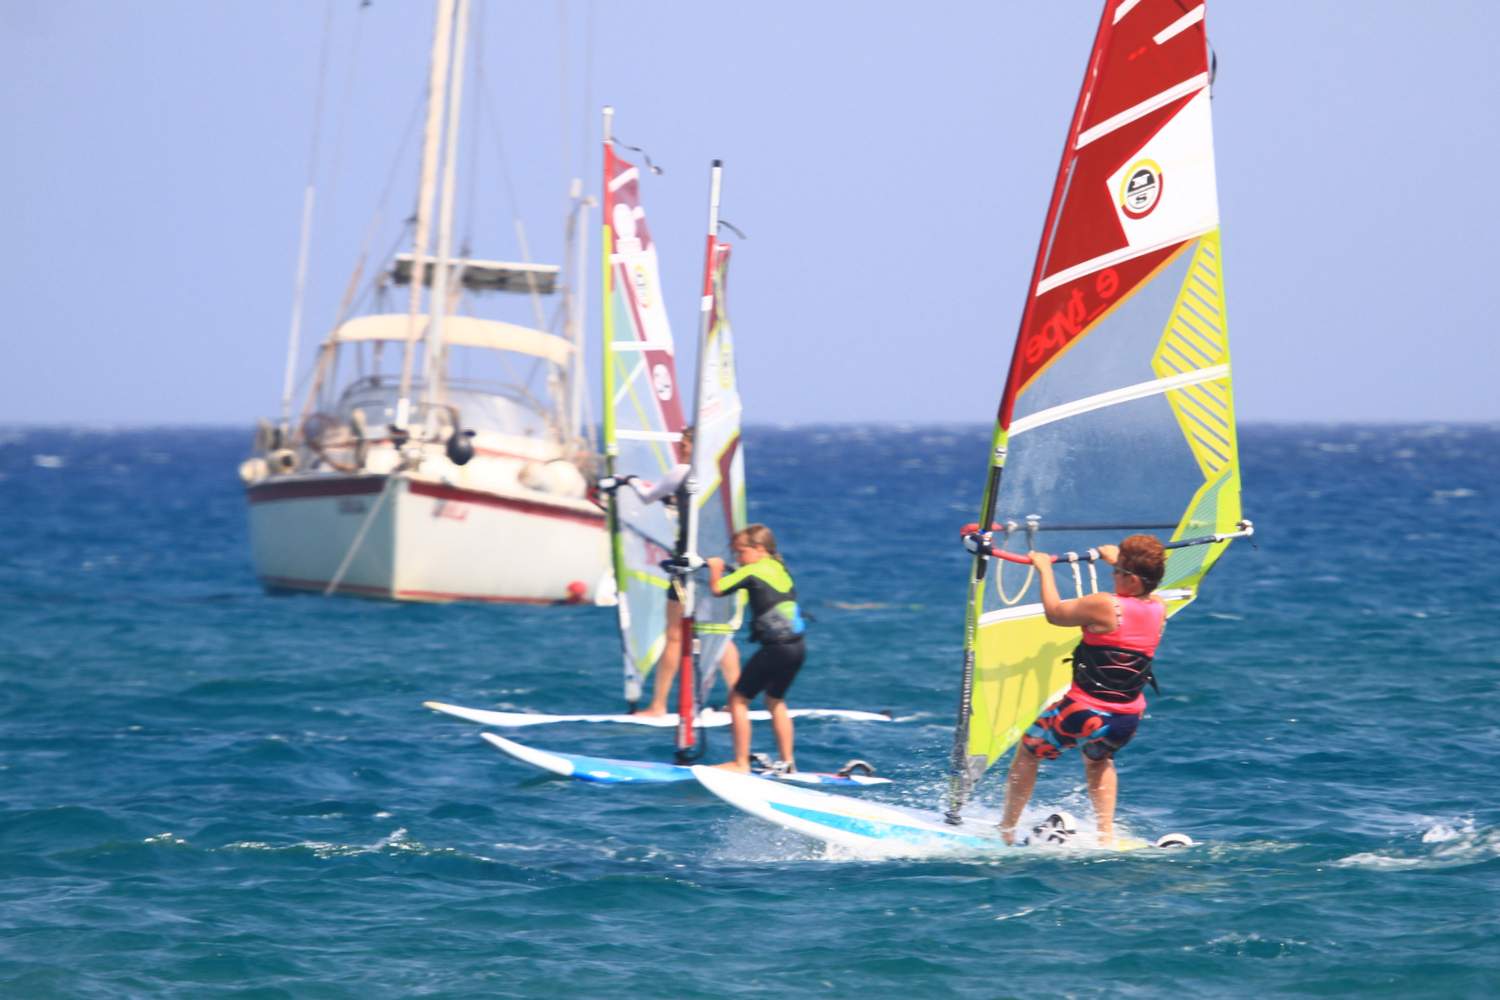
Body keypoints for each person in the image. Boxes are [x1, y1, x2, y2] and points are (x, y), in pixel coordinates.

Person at [998, 534, 1168, 847]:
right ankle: (1106, 835)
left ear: (1131, 579)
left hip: (1083, 710)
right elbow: (1138, 594)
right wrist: (1118, 560)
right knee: (1099, 761)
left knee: (1029, 752)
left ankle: (1006, 830)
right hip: (1125, 720)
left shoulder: (1105, 605)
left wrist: (1043, 568)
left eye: (1116, 572)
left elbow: (1054, 613)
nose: (1112, 575)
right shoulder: (1159, 608)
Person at [598, 427, 740, 715]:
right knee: (715, 630)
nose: (681, 450)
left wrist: (628, 480)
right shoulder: (715, 474)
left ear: (694, 446)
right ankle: (738, 700)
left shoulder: (682, 472)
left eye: (684, 445)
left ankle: (659, 705)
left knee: (674, 635)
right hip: (715, 562)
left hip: (685, 565)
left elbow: (647, 496)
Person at [705, 524, 807, 773]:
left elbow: (717, 589)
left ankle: (740, 763)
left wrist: (715, 568)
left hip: (776, 649)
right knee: (775, 700)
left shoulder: (751, 570)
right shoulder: (779, 567)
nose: (738, 558)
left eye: (741, 552)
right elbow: (760, 585)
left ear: (759, 548)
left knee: (737, 700)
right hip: (797, 648)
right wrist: (735, 569)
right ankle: (788, 763)